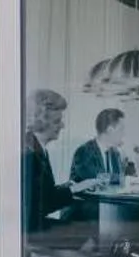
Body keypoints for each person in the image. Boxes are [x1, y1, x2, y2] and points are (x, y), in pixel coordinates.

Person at [23, 89, 87, 237]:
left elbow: (42, 195)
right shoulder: (29, 154)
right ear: (40, 123)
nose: (62, 126)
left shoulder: (37, 148)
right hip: (30, 233)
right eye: (57, 121)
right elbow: (43, 205)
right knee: (90, 232)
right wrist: (74, 189)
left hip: (35, 226)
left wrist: (67, 187)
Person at [69, 107, 128, 189]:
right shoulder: (84, 152)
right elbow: (98, 181)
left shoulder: (115, 153)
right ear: (110, 130)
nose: (124, 134)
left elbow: (119, 183)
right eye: (121, 129)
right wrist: (126, 180)